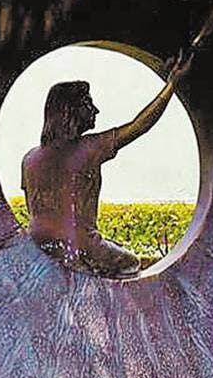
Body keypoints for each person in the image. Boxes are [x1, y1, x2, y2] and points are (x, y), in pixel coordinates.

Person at [22, 52, 193, 278]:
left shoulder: (29, 158)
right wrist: (171, 85)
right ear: (70, 111)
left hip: (37, 247)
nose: (95, 110)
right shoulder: (87, 148)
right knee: (132, 262)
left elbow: (34, 208)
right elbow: (139, 126)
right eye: (88, 104)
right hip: (80, 249)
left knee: (115, 248)